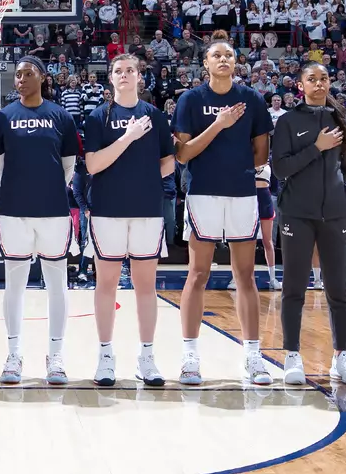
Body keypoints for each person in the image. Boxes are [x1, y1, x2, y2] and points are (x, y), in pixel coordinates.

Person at [172, 33, 272, 385]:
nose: (224, 59)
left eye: (229, 55)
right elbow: (183, 155)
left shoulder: (253, 99)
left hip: (243, 193)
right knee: (198, 273)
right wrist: (219, 125)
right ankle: (190, 357)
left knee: (245, 275)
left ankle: (253, 355)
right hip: (203, 193)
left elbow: (261, 154)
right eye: (217, 55)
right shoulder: (190, 100)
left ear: (235, 61)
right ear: (206, 63)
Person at [269, 62, 346, 386]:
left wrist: (338, 191)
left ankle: (341, 357)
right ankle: (292, 355)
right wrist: (316, 148)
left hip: (335, 214)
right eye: (312, 79)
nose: (319, 83)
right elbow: (280, 169)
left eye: (324, 78)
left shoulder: (343, 120)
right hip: (296, 213)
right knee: (294, 288)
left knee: (339, 289)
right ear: (300, 85)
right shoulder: (288, 121)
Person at [84, 53, 175, 387]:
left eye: (130, 70)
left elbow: (168, 163)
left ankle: (147, 357)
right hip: (107, 210)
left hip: (147, 210)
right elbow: (92, 165)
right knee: (106, 284)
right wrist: (128, 138)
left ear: (140, 77)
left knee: (145, 286)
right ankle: (106, 356)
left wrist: (141, 178)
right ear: (111, 78)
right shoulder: (97, 117)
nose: (124, 75)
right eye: (118, 71)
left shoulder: (155, 117)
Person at [0, 57, 79, 385]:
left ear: (43, 76)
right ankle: (14, 355)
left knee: (57, 285)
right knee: (15, 286)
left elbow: (68, 167)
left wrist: (46, 189)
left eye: (29, 73)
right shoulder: (2, 118)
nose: (22, 79)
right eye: (19, 75)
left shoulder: (61, 116)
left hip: (54, 211)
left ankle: (55, 356)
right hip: (13, 212)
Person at [255, 165, 277, 288]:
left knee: (267, 241)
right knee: (247, 242)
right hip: (249, 198)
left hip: (265, 198)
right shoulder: (246, 156)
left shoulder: (270, 160)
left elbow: (274, 184)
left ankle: (272, 278)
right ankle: (237, 278)